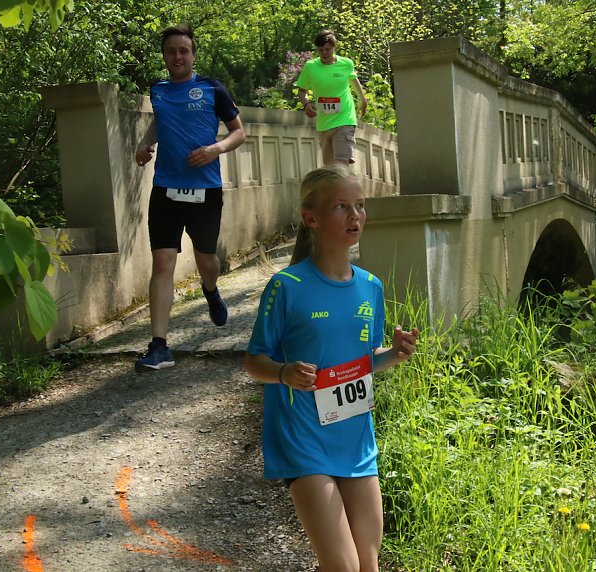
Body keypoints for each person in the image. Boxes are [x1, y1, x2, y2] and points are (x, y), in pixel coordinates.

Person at [244, 166, 420, 571]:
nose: (355, 215)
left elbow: (360, 364)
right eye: (341, 207)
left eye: (359, 206)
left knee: (367, 564)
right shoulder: (287, 286)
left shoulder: (370, 286)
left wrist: (392, 354)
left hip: (356, 441)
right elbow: (254, 361)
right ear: (312, 218)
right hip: (303, 441)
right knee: (343, 566)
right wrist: (284, 373)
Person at [134, 24, 246, 370]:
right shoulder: (158, 90)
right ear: (165, 56)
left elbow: (239, 132)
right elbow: (161, 121)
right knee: (163, 262)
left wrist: (215, 149)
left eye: (184, 51)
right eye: (171, 51)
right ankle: (159, 345)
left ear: (193, 55)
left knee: (206, 259)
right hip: (165, 188)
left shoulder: (212, 89)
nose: (178, 57)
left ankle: (210, 290)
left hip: (205, 190)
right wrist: (145, 142)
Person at [296, 30, 368, 165]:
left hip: (345, 119)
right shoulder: (311, 67)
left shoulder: (346, 63)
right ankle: (345, 185)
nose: (324, 53)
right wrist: (306, 104)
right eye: (320, 50)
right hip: (324, 123)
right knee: (330, 168)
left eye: (328, 49)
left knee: (341, 164)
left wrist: (363, 99)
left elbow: (353, 80)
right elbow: (301, 90)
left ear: (334, 47)